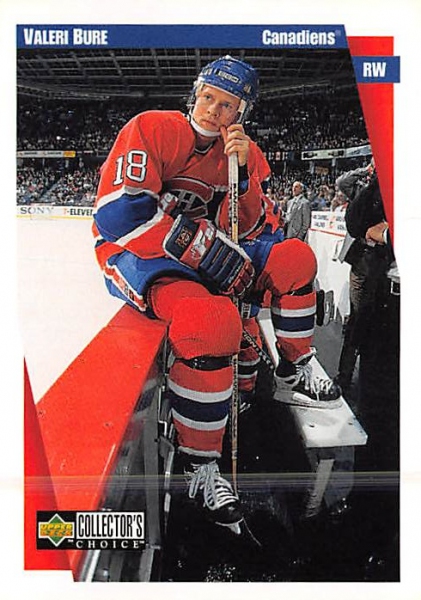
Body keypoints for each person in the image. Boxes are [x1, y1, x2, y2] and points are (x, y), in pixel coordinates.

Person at [92, 56, 341, 531]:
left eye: (227, 105)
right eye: (207, 97)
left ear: (241, 113)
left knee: (295, 259)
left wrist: (241, 177)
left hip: (210, 251)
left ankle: (295, 364)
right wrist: (204, 250)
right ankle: (199, 465)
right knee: (210, 322)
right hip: (143, 254)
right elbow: (120, 217)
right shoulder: (152, 128)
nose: (213, 109)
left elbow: (253, 227)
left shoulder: (243, 150)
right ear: (195, 95)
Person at [335, 162, 394, 393]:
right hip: (365, 262)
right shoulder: (364, 188)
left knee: (366, 322)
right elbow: (342, 182)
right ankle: (346, 375)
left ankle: (356, 376)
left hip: (380, 265)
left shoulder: (388, 194)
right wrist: (366, 169)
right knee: (359, 320)